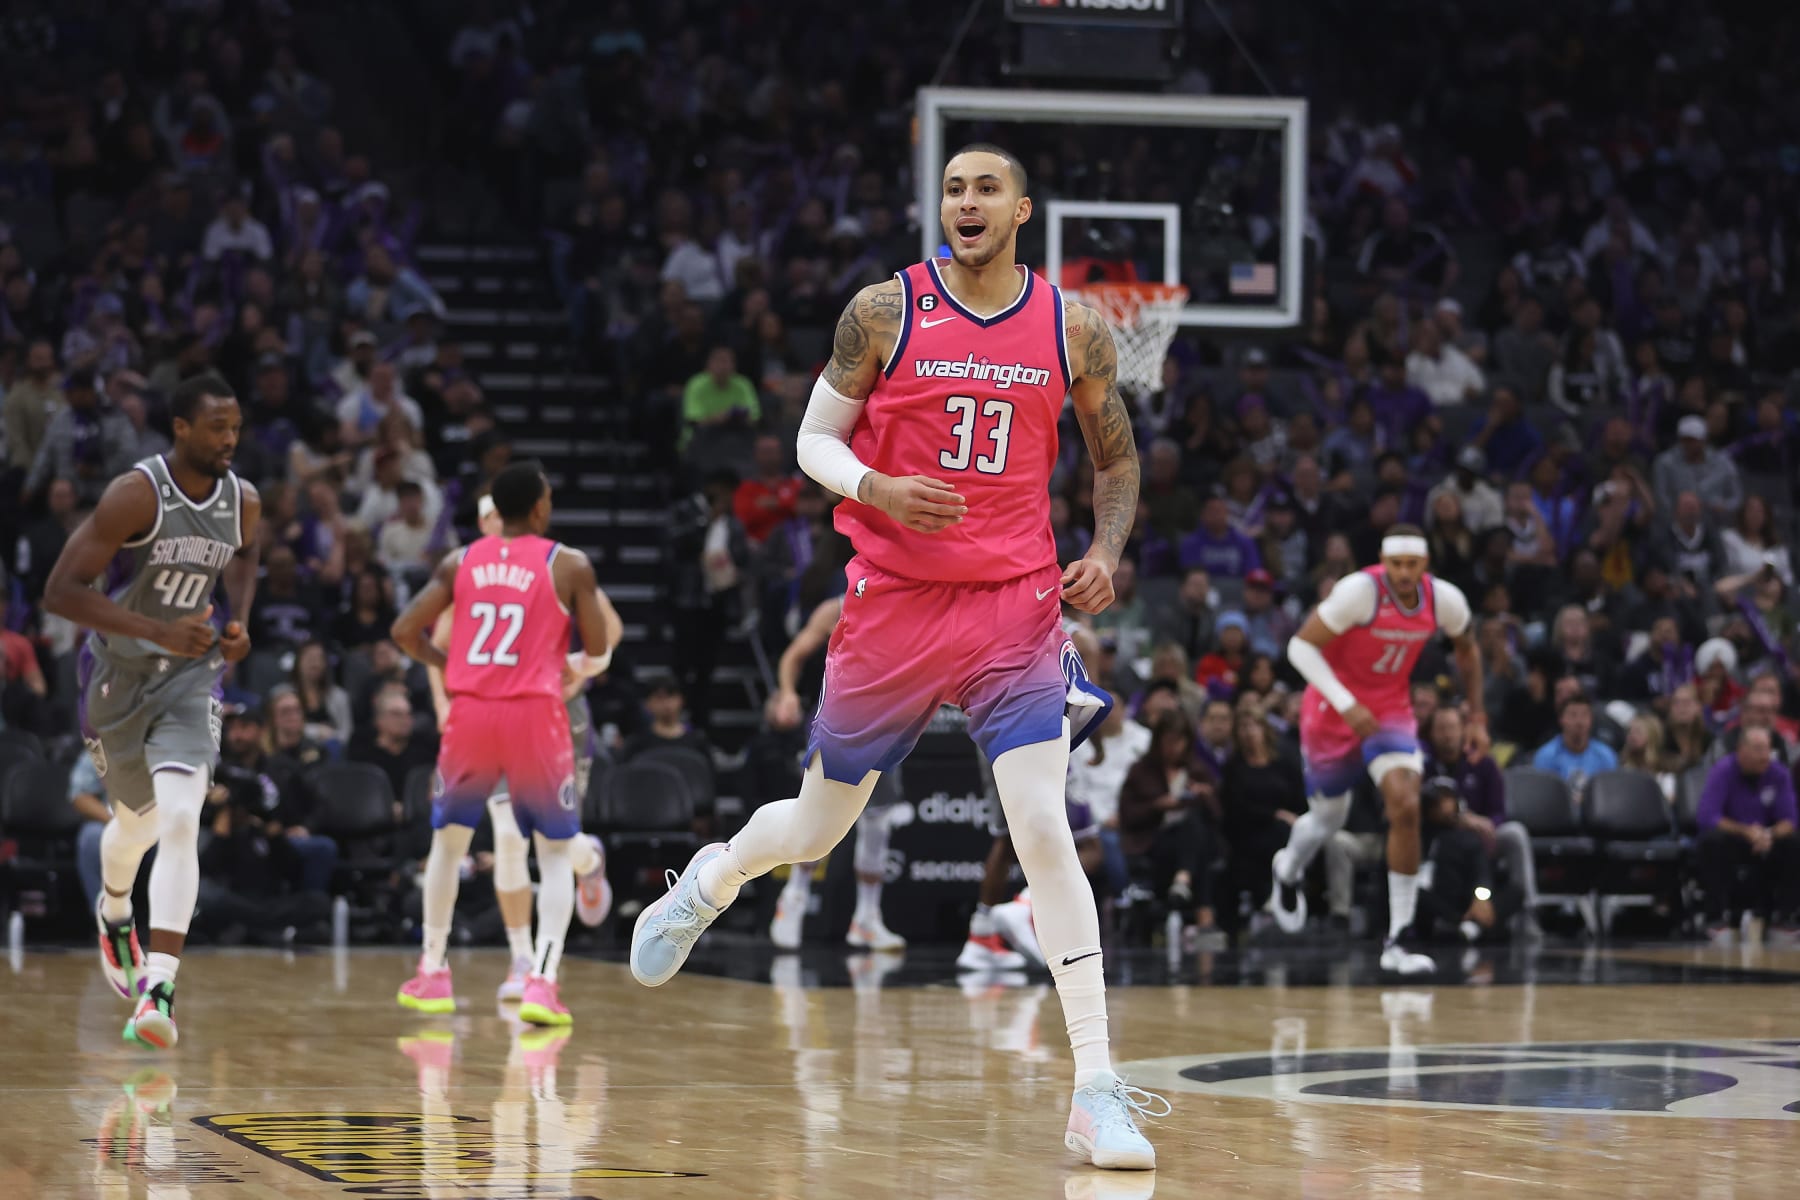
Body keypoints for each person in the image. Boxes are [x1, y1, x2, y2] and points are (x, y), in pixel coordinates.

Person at [628, 143, 1166, 1168]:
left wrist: (1104, 548)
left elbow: (1119, 456)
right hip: (894, 601)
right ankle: (715, 876)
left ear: (1022, 210)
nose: (967, 202)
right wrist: (875, 487)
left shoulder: (1075, 325)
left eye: (986, 189)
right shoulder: (885, 311)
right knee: (822, 830)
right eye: (955, 188)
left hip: (1014, 604)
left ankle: (1096, 1086)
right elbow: (811, 441)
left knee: (1044, 822)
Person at [42, 371, 261, 1049]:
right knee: (135, 825)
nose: (230, 438)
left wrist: (240, 624)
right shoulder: (136, 494)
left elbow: (246, 558)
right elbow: (59, 591)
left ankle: (158, 985)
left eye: (237, 427)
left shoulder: (243, 500)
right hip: (117, 677)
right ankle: (114, 913)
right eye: (218, 427)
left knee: (180, 816)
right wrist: (158, 631)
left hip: (190, 678)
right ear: (182, 429)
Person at [390, 461, 614, 1027]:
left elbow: (403, 632)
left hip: (471, 712)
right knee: (552, 853)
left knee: (448, 845)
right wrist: (577, 667)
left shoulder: (458, 560)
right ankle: (542, 981)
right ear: (541, 508)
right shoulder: (568, 564)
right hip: (534, 715)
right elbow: (602, 647)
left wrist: (451, 665)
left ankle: (432, 970)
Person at [1268, 525, 1484, 977]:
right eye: (1396, 565)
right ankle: (1287, 868)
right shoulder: (1359, 592)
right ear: (1384, 563)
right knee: (1330, 819)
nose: (1404, 574)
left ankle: (1398, 939)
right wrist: (1347, 704)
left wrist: (1478, 716)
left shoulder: (1445, 600)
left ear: (1425, 566)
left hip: (1389, 708)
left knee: (1406, 805)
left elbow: (1467, 650)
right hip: (1332, 707)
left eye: (1413, 565)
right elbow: (1300, 647)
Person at [766, 595, 906, 952]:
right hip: (839, 716)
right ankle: (793, 900)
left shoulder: (908, 603)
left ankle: (867, 919)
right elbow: (793, 656)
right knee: (818, 819)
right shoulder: (835, 607)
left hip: (887, 719)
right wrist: (787, 693)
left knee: (878, 822)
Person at [1695, 726, 1799, 943]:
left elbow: (1790, 819)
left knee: (1793, 843)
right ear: (1741, 750)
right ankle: (1716, 917)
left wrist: (1768, 834)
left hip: (1766, 839)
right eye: (1758, 749)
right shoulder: (1723, 770)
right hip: (1734, 838)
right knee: (1712, 841)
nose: (1764, 756)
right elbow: (1708, 816)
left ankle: (1784, 917)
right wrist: (1746, 832)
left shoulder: (1778, 772)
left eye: (1767, 750)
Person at [1530, 693, 1618, 788]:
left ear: (1591, 720)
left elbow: (1611, 795)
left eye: (1584, 715)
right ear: (1561, 719)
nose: (1579, 721)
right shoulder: (1546, 756)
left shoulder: (1605, 755)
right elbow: (1541, 797)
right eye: (1573, 715)